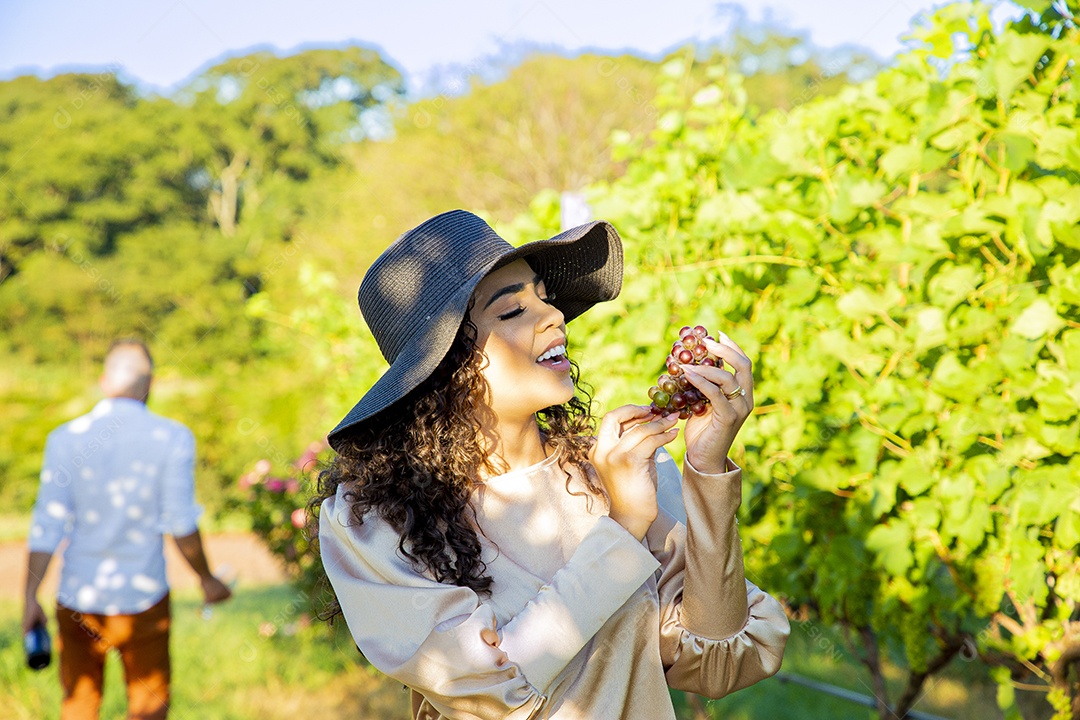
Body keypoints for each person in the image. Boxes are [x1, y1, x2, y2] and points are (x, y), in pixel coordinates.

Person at [313, 210, 789, 720]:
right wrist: (622, 529)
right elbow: (495, 694)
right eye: (512, 311)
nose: (554, 315)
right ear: (448, 364)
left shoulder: (617, 471)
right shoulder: (373, 522)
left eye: (544, 296)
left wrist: (707, 469)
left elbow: (722, 660)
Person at [22, 339, 233, 720]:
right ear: (150, 385)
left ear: (104, 381)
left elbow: (46, 524)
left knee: (78, 706)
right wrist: (207, 579)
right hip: (144, 600)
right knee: (149, 709)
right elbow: (180, 522)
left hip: (77, 598)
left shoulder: (64, 438)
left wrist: (29, 596)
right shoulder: (172, 436)